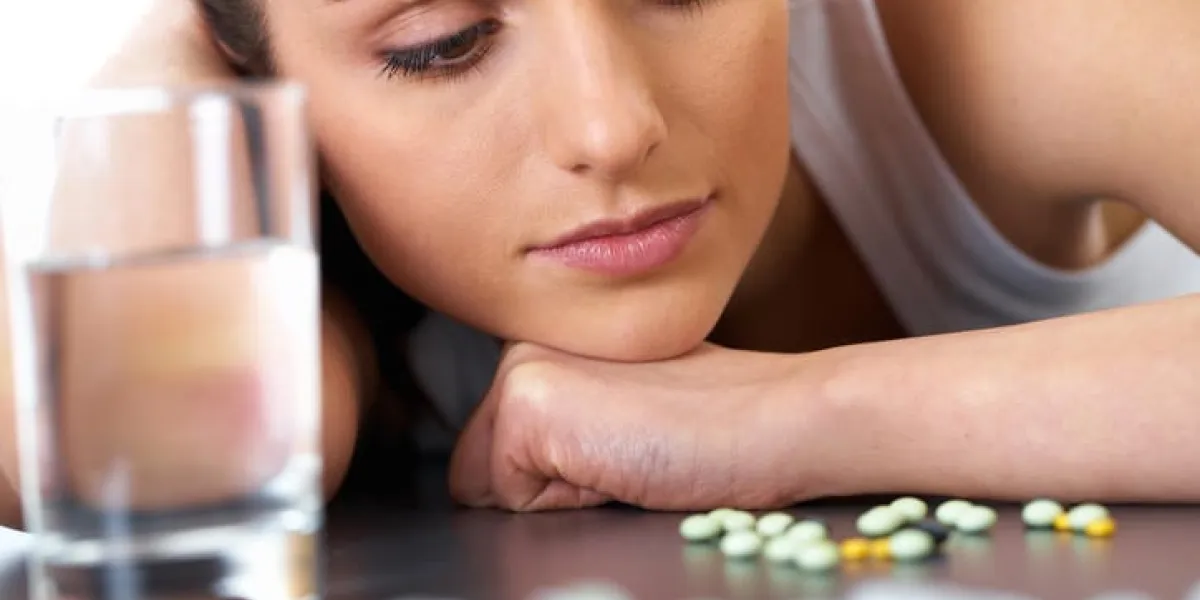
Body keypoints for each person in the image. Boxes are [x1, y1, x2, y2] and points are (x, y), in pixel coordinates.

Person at [2, 0, 1199, 525]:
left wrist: (794, 414)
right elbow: (145, 468)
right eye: (443, 43)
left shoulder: (983, 30)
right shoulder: (291, 228)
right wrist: (163, 67)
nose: (610, 125)